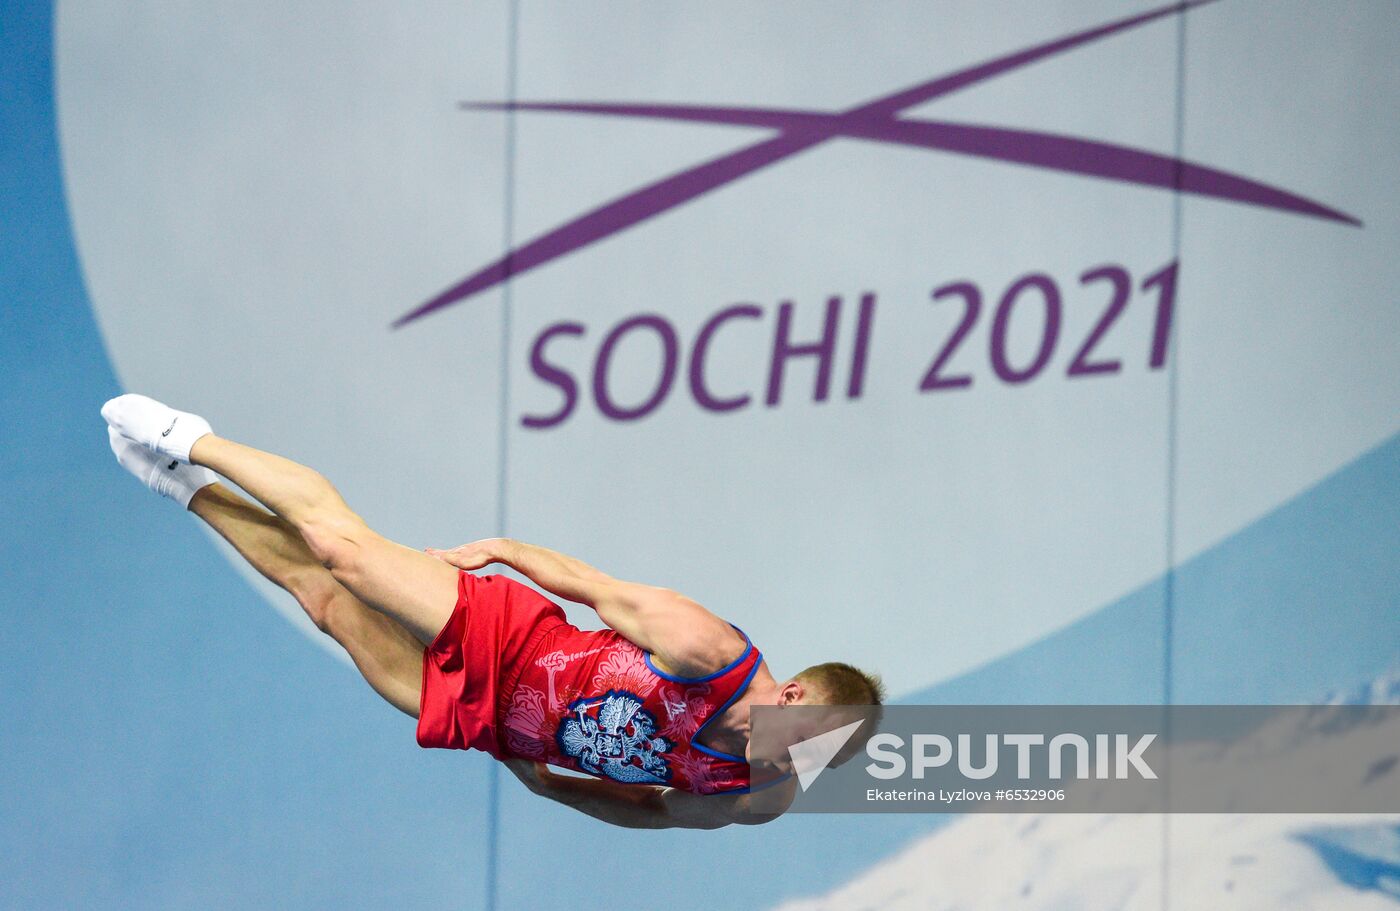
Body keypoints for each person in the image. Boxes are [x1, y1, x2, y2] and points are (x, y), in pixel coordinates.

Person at [101, 393, 883, 829]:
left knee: (325, 603)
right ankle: (194, 438)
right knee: (343, 552)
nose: (798, 763)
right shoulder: (711, 650)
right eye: (808, 741)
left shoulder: (756, 794)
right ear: (791, 697)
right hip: (511, 639)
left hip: (501, 723)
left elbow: (655, 809)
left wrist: (554, 788)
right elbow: (595, 587)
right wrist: (506, 549)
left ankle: (184, 488)